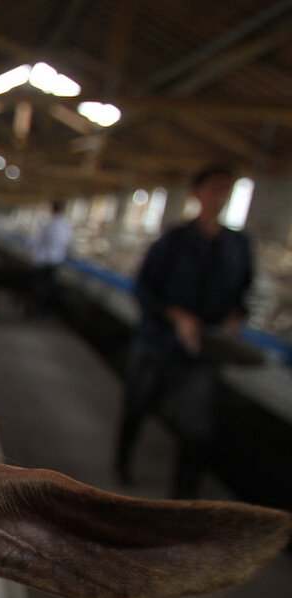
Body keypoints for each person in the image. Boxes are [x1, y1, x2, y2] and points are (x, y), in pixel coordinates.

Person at [114, 163, 252, 499]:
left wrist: (235, 314)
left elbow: (242, 291)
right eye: (213, 189)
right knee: (138, 405)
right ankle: (121, 466)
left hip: (201, 351)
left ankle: (183, 495)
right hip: (158, 345)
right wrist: (177, 316)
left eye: (225, 191)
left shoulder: (237, 246)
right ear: (197, 194)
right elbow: (145, 289)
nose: (219, 197)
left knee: (197, 427)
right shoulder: (172, 242)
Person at [28, 200, 72, 313]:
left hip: (43, 261)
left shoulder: (48, 225)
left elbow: (37, 241)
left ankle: (36, 307)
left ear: (52, 209)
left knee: (39, 285)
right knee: (50, 284)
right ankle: (45, 309)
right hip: (56, 261)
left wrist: (34, 254)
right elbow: (67, 243)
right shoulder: (66, 226)